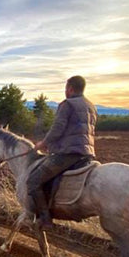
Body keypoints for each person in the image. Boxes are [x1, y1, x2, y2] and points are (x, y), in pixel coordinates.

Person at [28, 75, 97, 230]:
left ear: (70, 88)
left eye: (66, 88)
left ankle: (45, 219)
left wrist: (43, 144)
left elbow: (58, 129)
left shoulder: (67, 104)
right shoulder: (91, 106)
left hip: (68, 154)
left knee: (33, 180)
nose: (65, 91)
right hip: (87, 154)